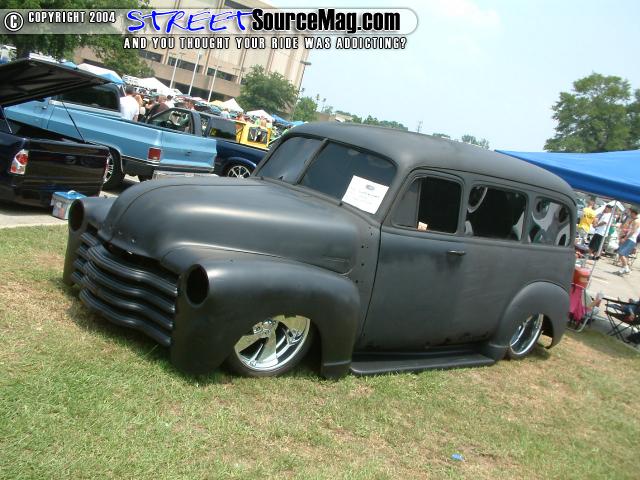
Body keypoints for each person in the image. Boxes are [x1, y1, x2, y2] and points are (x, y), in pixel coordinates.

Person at [617, 208, 640, 275]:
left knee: (621, 254)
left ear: (633, 213)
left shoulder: (636, 221)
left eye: (631, 213)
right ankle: (623, 269)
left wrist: (625, 238)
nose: (630, 214)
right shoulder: (634, 220)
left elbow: (633, 231)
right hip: (630, 239)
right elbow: (629, 229)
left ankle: (626, 269)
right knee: (624, 255)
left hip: (631, 239)